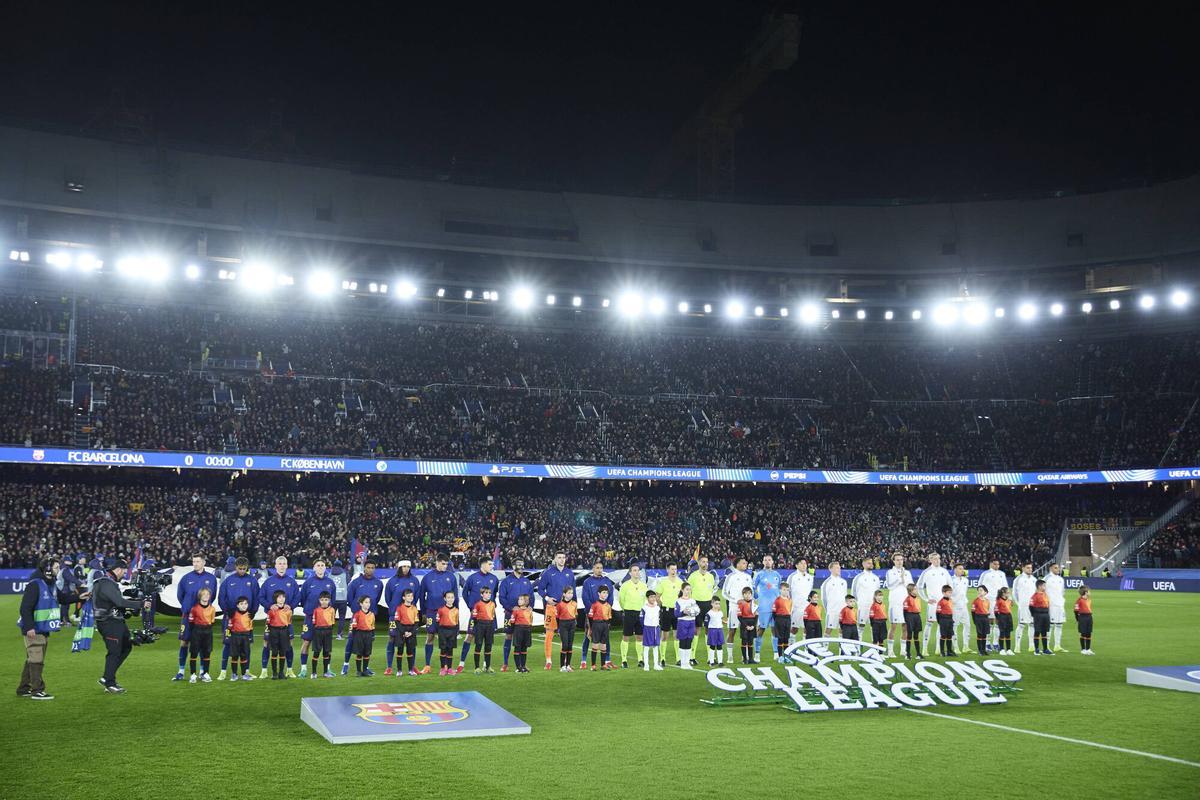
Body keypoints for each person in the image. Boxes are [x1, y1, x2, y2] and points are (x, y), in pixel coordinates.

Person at [92, 558, 150, 694]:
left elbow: (115, 602)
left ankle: (107, 676)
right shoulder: (106, 583)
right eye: (124, 571)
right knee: (114, 652)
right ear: (117, 569)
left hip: (116, 622)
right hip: (109, 623)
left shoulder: (107, 582)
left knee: (126, 646)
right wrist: (140, 604)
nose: (124, 574)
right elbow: (119, 601)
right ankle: (110, 683)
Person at [17, 558, 70, 699]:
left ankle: (23, 688)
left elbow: (63, 598)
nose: (59, 570)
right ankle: (37, 690)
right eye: (56, 567)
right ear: (47, 569)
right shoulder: (35, 585)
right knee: (36, 659)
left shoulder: (51, 584)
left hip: (43, 628)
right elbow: (25, 608)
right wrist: (29, 627)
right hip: (34, 629)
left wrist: (80, 597)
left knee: (33, 658)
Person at [173, 554, 217, 682]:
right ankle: (181, 671)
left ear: (204, 562)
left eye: (198, 561)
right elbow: (180, 596)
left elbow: (212, 596)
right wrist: (187, 607)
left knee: (203, 645)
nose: (195, 564)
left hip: (203, 618)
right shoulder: (186, 578)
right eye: (194, 561)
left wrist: (203, 610)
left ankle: (203, 671)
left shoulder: (211, 578)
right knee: (184, 642)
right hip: (187, 616)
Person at [258, 557, 299, 678]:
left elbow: (298, 597)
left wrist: (290, 606)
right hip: (271, 621)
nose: (281, 566)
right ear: (275, 566)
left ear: (287, 566)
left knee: (289, 644)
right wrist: (269, 605)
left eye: (284, 564)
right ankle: (264, 671)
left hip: (286, 621)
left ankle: (289, 670)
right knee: (266, 643)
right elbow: (261, 597)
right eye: (279, 564)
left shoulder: (291, 582)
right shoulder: (268, 581)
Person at [216, 557, 257, 681]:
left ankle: (246, 671)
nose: (242, 571)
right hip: (230, 619)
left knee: (246, 646)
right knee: (227, 644)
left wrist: (253, 612)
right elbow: (221, 598)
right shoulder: (228, 580)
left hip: (246, 620)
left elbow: (256, 597)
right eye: (240, 569)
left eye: (244, 569)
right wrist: (227, 611)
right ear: (235, 567)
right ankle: (223, 671)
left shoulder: (252, 580)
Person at [342, 559, 385, 675]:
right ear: (364, 568)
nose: (370, 570)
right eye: (368, 567)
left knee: (367, 643)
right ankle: (345, 664)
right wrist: (356, 609)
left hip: (370, 618)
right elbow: (350, 597)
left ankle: (365, 668)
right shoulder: (356, 582)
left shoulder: (378, 583)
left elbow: (376, 599)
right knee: (351, 640)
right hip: (357, 617)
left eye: (372, 568)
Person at [419, 553, 459, 674]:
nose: (445, 566)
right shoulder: (427, 577)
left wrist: (456, 613)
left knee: (447, 640)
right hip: (431, 611)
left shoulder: (451, 577)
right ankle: (427, 665)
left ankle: (446, 666)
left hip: (447, 613)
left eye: (447, 564)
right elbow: (421, 596)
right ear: (437, 562)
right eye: (443, 563)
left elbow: (455, 596)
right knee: (430, 636)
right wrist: (423, 612)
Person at [459, 558, 500, 672]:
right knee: (469, 636)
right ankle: (461, 663)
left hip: (489, 615)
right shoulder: (472, 578)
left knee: (488, 639)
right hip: (476, 615)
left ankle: (486, 665)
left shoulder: (494, 579)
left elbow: (495, 593)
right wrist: (471, 607)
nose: (492, 566)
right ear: (483, 565)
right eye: (490, 564)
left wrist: (492, 605)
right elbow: (464, 592)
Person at [298, 558, 336, 677]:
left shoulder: (330, 583)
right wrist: (311, 610)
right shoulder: (308, 583)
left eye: (322, 565)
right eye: (318, 565)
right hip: (310, 618)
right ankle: (303, 669)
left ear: (325, 568)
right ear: (314, 568)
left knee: (327, 646)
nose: (320, 567)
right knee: (306, 642)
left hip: (325, 620)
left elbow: (332, 600)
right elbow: (303, 599)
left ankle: (327, 669)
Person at [536, 552, 573, 671]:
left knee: (565, 636)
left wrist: (573, 606)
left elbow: (573, 592)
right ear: (555, 560)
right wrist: (547, 598)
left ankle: (566, 662)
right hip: (552, 608)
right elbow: (540, 589)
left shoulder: (569, 573)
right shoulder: (548, 573)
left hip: (565, 608)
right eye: (559, 558)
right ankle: (548, 660)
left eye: (563, 558)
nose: (562, 560)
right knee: (549, 634)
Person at [382, 560, 419, 675]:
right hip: (395, 616)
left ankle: (411, 666)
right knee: (392, 640)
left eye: (408, 566)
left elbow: (416, 597)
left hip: (410, 616)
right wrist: (394, 608)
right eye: (404, 566)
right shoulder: (392, 581)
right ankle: (389, 667)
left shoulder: (414, 580)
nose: (406, 569)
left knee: (411, 641)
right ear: (399, 567)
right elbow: (388, 598)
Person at [580, 561, 616, 668]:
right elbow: (585, 598)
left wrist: (605, 610)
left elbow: (610, 598)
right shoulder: (587, 582)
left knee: (606, 638)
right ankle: (583, 661)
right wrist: (593, 611)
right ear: (593, 569)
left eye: (601, 568)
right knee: (588, 636)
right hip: (592, 616)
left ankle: (607, 660)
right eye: (597, 568)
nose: (599, 570)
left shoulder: (607, 581)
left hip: (604, 616)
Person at [498, 560, 532, 672]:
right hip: (510, 614)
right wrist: (511, 608)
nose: (521, 566)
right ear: (513, 566)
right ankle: (505, 663)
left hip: (524, 617)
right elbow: (501, 598)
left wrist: (530, 607)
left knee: (522, 641)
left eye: (522, 564)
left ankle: (522, 665)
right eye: (518, 564)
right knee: (508, 636)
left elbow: (530, 596)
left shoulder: (526, 581)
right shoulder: (506, 581)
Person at [915, 552, 950, 653]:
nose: (937, 560)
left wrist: (948, 598)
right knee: (929, 624)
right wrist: (926, 599)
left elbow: (950, 585)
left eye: (938, 558)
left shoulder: (944, 571)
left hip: (944, 604)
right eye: (934, 559)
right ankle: (924, 649)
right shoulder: (926, 572)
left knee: (941, 625)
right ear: (930, 560)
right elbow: (919, 587)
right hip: (933, 604)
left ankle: (938, 648)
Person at [721, 557, 753, 664]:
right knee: (732, 631)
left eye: (746, 563)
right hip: (734, 608)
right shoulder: (731, 576)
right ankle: (730, 656)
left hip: (747, 609)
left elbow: (751, 592)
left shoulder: (748, 576)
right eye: (743, 563)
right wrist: (736, 600)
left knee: (747, 632)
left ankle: (746, 656)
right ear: (737, 564)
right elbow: (724, 593)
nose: (746, 564)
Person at [618, 563, 649, 668]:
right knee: (626, 636)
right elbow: (621, 600)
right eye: (634, 570)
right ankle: (624, 660)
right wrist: (625, 609)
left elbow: (646, 600)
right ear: (630, 573)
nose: (637, 572)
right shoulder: (625, 585)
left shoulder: (644, 586)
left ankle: (640, 659)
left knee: (639, 637)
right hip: (628, 612)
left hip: (640, 613)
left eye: (638, 570)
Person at [654, 563, 684, 667]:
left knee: (677, 635)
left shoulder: (680, 582)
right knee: (665, 635)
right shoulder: (663, 582)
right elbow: (657, 596)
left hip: (677, 611)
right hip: (666, 610)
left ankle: (678, 658)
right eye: (672, 569)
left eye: (675, 569)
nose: (674, 571)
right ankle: (662, 658)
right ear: (667, 570)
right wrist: (662, 606)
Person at [884, 553, 913, 659]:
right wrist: (900, 579)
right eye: (897, 560)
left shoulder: (907, 573)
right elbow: (889, 586)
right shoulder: (890, 572)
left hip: (906, 603)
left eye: (901, 559)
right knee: (893, 626)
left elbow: (911, 587)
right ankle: (890, 651)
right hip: (895, 603)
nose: (900, 561)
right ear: (894, 561)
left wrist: (905, 582)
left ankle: (903, 650)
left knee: (905, 627)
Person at [752, 555, 781, 661]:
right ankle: (757, 653)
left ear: (772, 562)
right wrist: (755, 598)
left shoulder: (777, 575)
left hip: (775, 607)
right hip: (763, 607)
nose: (767, 562)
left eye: (769, 560)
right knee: (761, 629)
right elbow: (753, 588)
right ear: (763, 562)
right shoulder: (759, 574)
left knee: (775, 630)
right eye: (765, 560)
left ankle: (776, 653)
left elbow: (779, 589)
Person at [186, 586, 216, 683]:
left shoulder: (212, 609)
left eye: (208, 594)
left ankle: (206, 673)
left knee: (207, 653)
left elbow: (212, 622)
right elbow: (190, 623)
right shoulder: (194, 609)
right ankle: (193, 674)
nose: (206, 596)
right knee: (194, 653)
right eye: (204, 594)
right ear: (200, 596)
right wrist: (194, 631)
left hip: (208, 632)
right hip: (197, 631)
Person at [686, 556, 717, 647]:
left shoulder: (711, 576)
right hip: (696, 604)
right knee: (696, 629)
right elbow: (687, 591)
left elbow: (711, 590)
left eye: (707, 562)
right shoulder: (693, 576)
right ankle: (692, 656)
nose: (705, 564)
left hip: (708, 604)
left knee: (709, 628)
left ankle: (710, 657)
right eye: (703, 562)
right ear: (699, 563)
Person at [978, 559, 1008, 652]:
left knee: (999, 622)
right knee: (990, 622)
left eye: (998, 564)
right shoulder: (985, 574)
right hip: (989, 600)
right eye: (995, 564)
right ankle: (987, 643)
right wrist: (982, 599)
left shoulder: (1002, 574)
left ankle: (995, 643)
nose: (997, 566)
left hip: (999, 601)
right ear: (991, 564)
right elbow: (980, 586)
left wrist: (1007, 598)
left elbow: (1005, 587)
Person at [850, 557, 880, 641]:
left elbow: (877, 593)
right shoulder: (858, 578)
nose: (871, 565)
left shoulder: (876, 578)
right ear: (863, 564)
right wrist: (857, 604)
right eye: (869, 563)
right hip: (862, 606)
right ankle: (858, 648)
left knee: (874, 628)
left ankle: (875, 648)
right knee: (860, 627)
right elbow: (853, 593)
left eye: (871, 563)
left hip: (874, 607)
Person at [392, 588, 421, 675]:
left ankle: (410, 670)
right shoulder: (399, 608)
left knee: (410, 651)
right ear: (404, 597)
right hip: (401, 631)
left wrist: (411, 632)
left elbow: (416, 622)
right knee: (400, 650)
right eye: (408, 596)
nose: (410, 597)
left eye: (411, 596)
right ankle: (399, 671)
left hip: (411, 630)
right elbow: (397, 621)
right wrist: (404, 632)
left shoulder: (414, 608)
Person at [470, 585, 498, 673]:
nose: (488, 594)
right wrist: (473, 628)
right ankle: (477, 667)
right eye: (486, 593)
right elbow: (473, 618)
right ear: (481, 594)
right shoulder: (477, 604)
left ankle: (488, 667)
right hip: (480, 625)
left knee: (488, 646)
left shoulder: (493, 604)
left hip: (489, 626)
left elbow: (493, 616)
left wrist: (494, 625)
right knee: (478, 645)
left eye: (490, 593)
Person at [266, 590, 293, 679]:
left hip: (284, 631)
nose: (281, 599)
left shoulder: (288, 610)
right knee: (274, 652)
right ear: (275, 599)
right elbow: (268, 623)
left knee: (282, 652)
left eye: (283, 597)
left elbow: (289, 622)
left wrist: (289, 633)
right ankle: (274, 673)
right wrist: (268, 634)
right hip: (274, 631)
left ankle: (281, 673)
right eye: (279, 597)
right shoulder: (272, 610)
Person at [309, 592, 337, 678]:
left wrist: (328, 630)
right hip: (318, 632)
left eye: (326, 600)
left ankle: (325, 672)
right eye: (322, 600)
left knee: (326, 652)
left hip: (328, 632)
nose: (324, 602)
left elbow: (332, 623)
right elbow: (314, 623)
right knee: (316, 652)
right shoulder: (316, 610)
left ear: (329, 600)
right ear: (319, 601)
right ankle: (314, 673)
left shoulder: (332, 610)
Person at [226, 596, 254, 681]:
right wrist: (227, 637)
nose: (244, 605)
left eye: (246, 603)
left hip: (245, 637)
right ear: (237, 605)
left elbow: (251, 628)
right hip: (235, 636)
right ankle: (234, 674)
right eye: (241, 604)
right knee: (234, 656)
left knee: (244, 656)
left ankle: (244, 674)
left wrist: (250, 638)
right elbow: (229, 627)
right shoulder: (233, 614)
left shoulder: (249, 615)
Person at [1012, 563, 1037, 654]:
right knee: (1021, 625)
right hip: (1023, 606)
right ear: (1023, 568)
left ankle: (1031, 645)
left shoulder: (1034, 579)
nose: (1030, 569)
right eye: (1028, 568)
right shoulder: (1018, 579)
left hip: (1033, 607)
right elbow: (1014, 593)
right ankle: (1017, 646)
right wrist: (1019, 604)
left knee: (1032, 625)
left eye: (1031, 568)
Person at [786, 557, 814, 638]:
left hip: (807, 607)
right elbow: (788, 592)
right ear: (796, 565)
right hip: (796, 607)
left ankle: (806, 648)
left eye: (805, 563)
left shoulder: (810, 577)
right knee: (794, 628)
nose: (804, 565)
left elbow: (810, 592)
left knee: (807, 628)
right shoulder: (792, 577)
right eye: (801, 563)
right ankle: (791, 647)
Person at [586, 585, 613, 670]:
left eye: (607, 593)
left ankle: (603, 665)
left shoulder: (608, 605)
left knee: (604, 645)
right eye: (603, 592)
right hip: (596, 625)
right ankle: (593, 665)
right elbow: (590, 617)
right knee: (595, 644)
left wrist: (607, 626)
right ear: (599, 593)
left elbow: (609, 618)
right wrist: (590, 628)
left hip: (605, 626)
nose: (605, 594)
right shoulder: (594, 605)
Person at [675, 583, 700, 670]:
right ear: (682, 590)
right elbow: (676, 614)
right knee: (683, 642)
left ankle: (687, 662)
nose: (688, 591)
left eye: (689, 589)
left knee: (689, 642)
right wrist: (683, 612)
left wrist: (694, 612)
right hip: (682, 622)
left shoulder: (693, 601)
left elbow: (696, 611)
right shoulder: (678, 601)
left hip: (691, 622)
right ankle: (682, 663)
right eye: (686, 589)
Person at [820, 561, 848, 639]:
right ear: (831, 569)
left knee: (842, 631)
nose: (839, 569)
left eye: (839, 568)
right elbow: (824, 599)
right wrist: (828, 610)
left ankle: (841, 650)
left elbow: (845, 597)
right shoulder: (826, 583)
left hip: (842, 611)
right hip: (832, 610)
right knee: (828, 630)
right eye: (836, 568)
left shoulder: (843, 582)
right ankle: (824, 649)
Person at [351, 595, 377, 676]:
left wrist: (372, 635)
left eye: (369, 602)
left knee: (367, 653)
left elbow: (372, 626)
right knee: (359, 653)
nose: (368, 604)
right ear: (361, 604)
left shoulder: (372, 614)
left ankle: (365, 670)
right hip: (359, 634)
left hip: (368, 635)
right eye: (366, 602)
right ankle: (359, 671)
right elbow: (354, 627)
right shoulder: (357, 614)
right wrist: (355, 637)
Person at [1045, 563, 1068, 653]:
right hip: (1051, 606)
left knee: (1059, 625)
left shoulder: (1061, 579)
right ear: (1051, 569)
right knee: (1050, 626)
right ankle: (1046, 646)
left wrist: (1061, 601)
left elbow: (1062, 592)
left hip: (1060, 606)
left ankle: (1057, 645)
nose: (1058, 569)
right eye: (1055, 568)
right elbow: (1042, 591)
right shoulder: (1047, 579)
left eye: (1058, 568)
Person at [436, 590, 460, 676]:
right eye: (448, 597)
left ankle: (449, 668)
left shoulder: (456, 610)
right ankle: (443, 668)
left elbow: (457, 622)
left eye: (452, 597)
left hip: (452, 631)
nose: (450, 599)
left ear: (454, 598)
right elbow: (437, 622)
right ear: (445, 599)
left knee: (450, 650)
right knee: (443, 650)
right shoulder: (441, 610)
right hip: (443, 631)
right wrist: (437, 633)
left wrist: (457, 632)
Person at [555, 585, 578, 672]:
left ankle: (568, 665)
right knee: (564, 646)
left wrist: (575, 623)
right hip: (563, 624)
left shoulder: (574, 603)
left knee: (570, 646)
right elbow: (557, 617)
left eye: (572, 593)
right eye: (569, 593)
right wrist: (558, 628)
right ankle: (562, 666)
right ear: (564, 594)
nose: (571, 595)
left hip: (572, 624)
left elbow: (575, 615)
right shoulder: (560, 605)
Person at [510, 594, 534, 673]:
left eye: (521, 599)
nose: (518, 601)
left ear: (526, 601)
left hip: (527, 630)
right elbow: (512, 621)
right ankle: (518, 667)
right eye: (519, 599)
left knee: (524, 648)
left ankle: (523, 666)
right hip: (518, 629)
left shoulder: (529, 610)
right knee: (517, 647)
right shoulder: (516, 610)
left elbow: (531, 620)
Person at [950, 564, 970, 653]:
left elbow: (964, 593)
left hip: (964, 606)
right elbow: (948, 594)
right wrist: (953, 602)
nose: (962, 570)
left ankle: (966, 646)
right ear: (955, 570)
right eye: (960, 569)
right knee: (955, 627)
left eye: (963, 569)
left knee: (967, 625)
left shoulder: (966, 580)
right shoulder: (951, 580)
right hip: (955, 606)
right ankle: (956, 647)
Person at [640, 590, 663, 671]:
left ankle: (656, 664)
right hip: (647, 628)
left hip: (656, 628)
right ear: (647, 598)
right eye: (651, 597)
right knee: (646, 647)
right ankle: (646, 665)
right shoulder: (644, 608)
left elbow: (659, 618)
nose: (653, 599)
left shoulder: (657, 608)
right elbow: (641, 619)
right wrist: (645, 627)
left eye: (654, 597)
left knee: (656, 647)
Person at [770, 584, 792, 661]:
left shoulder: (789, 599)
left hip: (788, 619)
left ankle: (786, 657)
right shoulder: (777, 600)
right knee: (780, 639)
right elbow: (773, 612)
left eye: (787, 590)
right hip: (780, 619)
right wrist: (778, 620)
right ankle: (780, 657)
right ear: (780, 590)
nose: (785, 591)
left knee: (786, 639)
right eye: (784, 590)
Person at [1029, 579, 1052, 656]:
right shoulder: (1034, 596)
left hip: (1045, 614)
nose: (1045, 587)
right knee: (1037, 632)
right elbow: (1031, 607)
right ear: (1039, 586)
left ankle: (1045, 649)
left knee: (1044, 632)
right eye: (1044, 585)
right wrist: (1034, 614)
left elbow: (1048, 604)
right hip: (1038, 615)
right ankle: (1036, 649)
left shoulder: (1045, 594)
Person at [737, 587, 758, 664]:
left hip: (752, 623)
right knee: (744, 641)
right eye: (745, 594)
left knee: (750, 641)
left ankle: (751, 659)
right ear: (743, 595)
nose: (747, 595)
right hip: (744, 623)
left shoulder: (754, 603)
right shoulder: (741, 603)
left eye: (749, 593)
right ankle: (745, 659)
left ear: (751, 594)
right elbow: (739, 616)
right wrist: (746, 626)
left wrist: (753, 626)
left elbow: (756, 616)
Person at [902, 583, 923, 659]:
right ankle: (908, 654)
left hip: (917, 616)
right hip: (910, 616)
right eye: (915, 589)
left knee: (916, 636)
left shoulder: (917, 598)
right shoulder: (907, 600)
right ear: (910, 591)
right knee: (909, 636)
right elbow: (905, 611)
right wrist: (907, 621)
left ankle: (918, 654)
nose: (916, 590)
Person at [329, 560, 349, 639]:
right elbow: (348, 583)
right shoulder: (345, 574)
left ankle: (329, 633)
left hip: (332, 599)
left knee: (331, 617)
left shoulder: (330, 574)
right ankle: (339, 634)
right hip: (343, 599)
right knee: (342, 617)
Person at [935, 584, 956, 657]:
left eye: (951, 592)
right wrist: (940, 622)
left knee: (949, 635)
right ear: (944, 593)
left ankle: (949, 651)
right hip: (943, 619)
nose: (950, 593)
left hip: (950, 619)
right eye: (949, 592)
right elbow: (937, 613)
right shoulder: (941, 602)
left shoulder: (950, 600)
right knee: (943, 635)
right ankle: (942, 651)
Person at [704, 595, 725, 666]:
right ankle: (711, 661)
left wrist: (724, 622)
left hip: (719, 630)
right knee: (712, 646)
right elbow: (706, 624)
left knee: (719, 646)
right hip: (712, 631)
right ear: (712, 604)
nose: (718, 605)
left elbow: (720, 619)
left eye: (719, 604)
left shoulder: (720, 612)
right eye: (716, 604)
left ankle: (720, 662)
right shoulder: (709, 613)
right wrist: (708, 632)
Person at [1074, 586, 1094, 655]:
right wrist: (1077, 619)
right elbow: (1076, 611)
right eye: (1089, 591)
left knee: (1089, 633)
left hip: (1089, 617)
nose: (1090, 592)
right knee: (1083, 633)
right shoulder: (1079, 600)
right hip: (1082, 617)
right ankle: (1083, 649)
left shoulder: (1089, 600)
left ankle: (1088, 649)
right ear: (1085, 592)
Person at [971, 586, 991, 657]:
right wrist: (975, 621)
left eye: (981, 590)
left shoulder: (987, 601)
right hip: (978, 618)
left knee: (984, 634)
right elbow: (973, 612)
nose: (979, 592)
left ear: (985, 592)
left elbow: (987, 610)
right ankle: (980, 650)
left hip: (985, 618)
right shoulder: (975, 601)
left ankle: (984, 650)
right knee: (980, 634)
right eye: (978, 590)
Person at [994, 587, 1014, 655]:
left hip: (1009, 617)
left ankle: (1008, 649)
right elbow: (996, 611)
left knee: (1008, 634)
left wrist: (1011, 600)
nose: (1009, 593)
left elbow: (1011, 605)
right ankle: (1002, 649)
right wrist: (998, 618)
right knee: (1002, 633)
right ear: (1003, 593)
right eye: (1008, 592)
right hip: (1002, 617)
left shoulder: (1009, 600)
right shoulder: (999, 600)